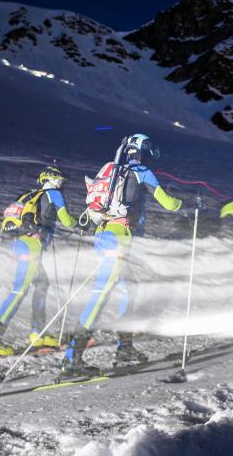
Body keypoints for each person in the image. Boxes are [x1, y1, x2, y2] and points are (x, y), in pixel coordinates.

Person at [61, 133, 182, 375]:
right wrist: (186, 203)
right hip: (120, 238)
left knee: (131, 291)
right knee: (101, 294)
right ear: (143, 151)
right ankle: (72, 358)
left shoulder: (112, 171)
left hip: (105, 233)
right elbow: (169, 204)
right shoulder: (141, 172)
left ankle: (124, 347)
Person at [0, 166, 78, 356]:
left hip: (21, 243)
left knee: (42, 284)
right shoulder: (54, 194)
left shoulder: (30, 195)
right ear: (53, 179)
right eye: (61, 180)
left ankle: (38, 333)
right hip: (31, 245)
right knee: (18, 292)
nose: (62, 185)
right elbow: (67, 221)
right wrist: (83, 222)